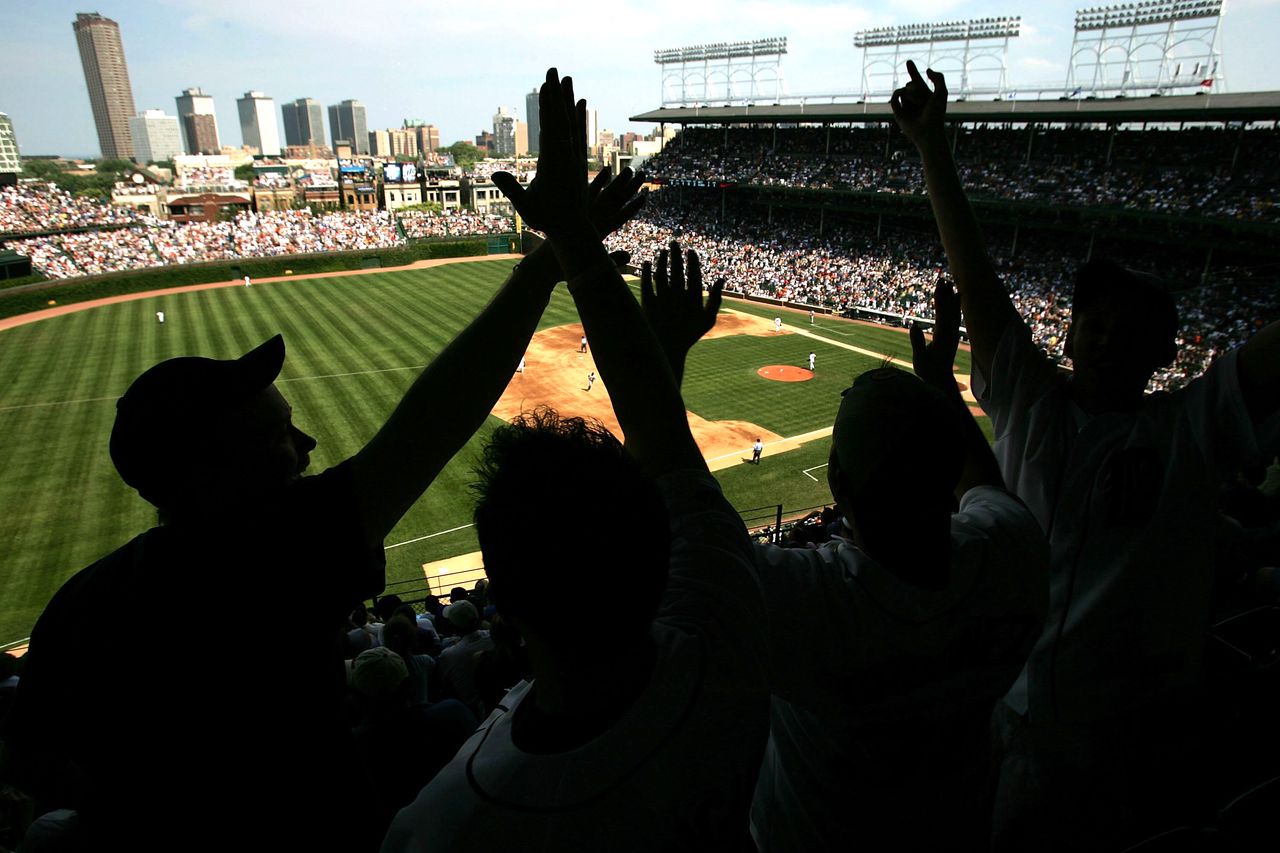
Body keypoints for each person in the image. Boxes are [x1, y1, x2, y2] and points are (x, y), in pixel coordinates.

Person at [4, 134, 648, 850]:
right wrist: (544, 268)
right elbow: (430, 424)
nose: (307, 447)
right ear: (212, 470)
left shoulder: (77, 607)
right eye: (279, 435)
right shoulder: (263, 555)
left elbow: (41, 767)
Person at [892, 59, 1280, 850]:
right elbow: (980, 281)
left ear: (1163, 350)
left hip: (1119, 747)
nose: (1103, 335)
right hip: (1002, 708)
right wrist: (933, 148)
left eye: (1130, 327)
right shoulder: (1032, 401)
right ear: (1067, 334)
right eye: (1092, 320)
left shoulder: (1192, 429)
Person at [383, 69, 768, 852]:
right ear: (652, 558)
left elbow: (667, 474)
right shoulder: (728, 645)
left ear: (508, 607)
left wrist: (569, 253)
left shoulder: (441, 823)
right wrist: (590, 263)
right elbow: (678, 474)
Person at [747, 280, 1049, 851]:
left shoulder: (812, 607)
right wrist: (940, 383)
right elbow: (988, 486)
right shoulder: (1012, 555)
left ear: (837, 485)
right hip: (955, 830)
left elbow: (681, 512)